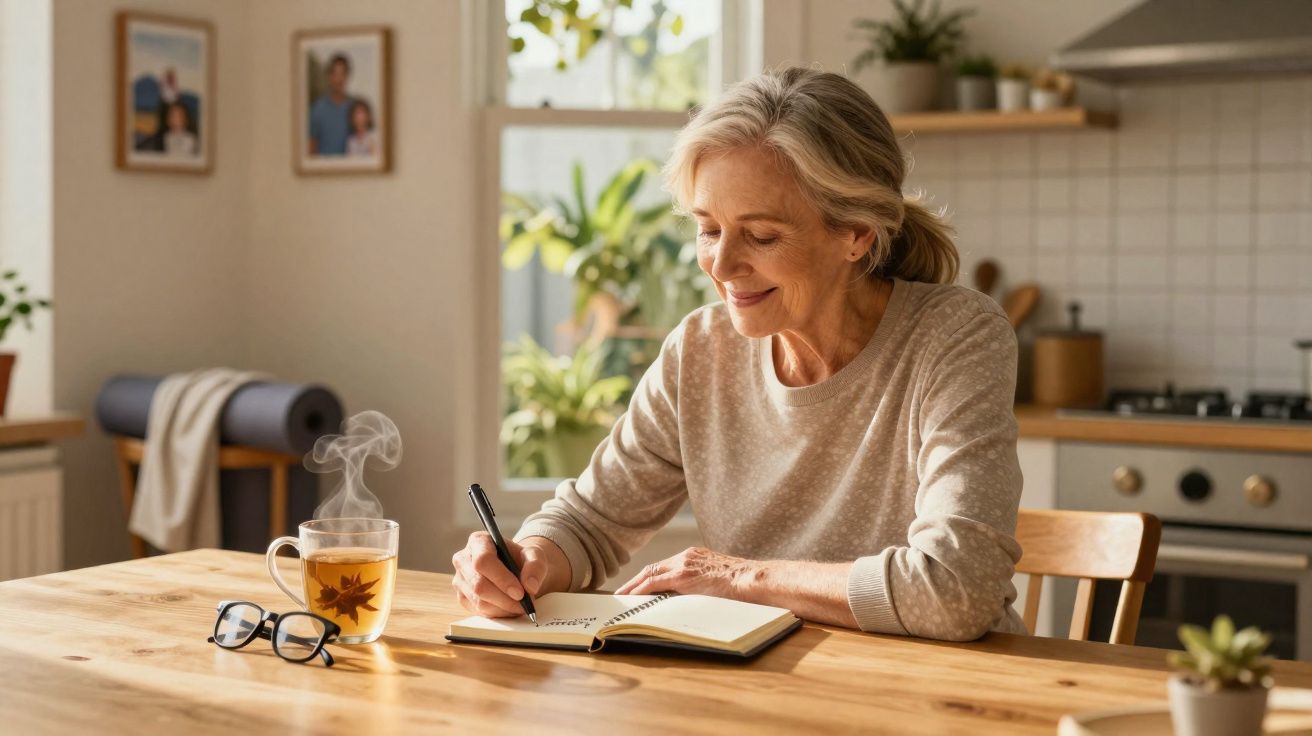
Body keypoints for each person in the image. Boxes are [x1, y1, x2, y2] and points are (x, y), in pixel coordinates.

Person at [451, 68, 1026, 642]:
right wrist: (525, 561)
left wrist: (741, 576)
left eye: (762, 236)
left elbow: (956, 590)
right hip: (768, 689)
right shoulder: (702, 349)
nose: (721, 267)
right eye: (707, 229)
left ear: (856, 235)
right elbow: (589, 521)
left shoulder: (956, 334)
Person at [308, 53, 353, 156]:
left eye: (342, 74)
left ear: (347, 76)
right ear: (329, 76)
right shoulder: (317, 108)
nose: (339, 79)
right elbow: (311, 145)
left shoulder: (354, 107)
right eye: (335, 74)